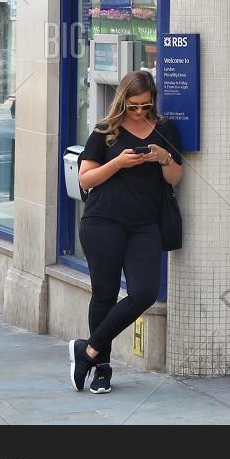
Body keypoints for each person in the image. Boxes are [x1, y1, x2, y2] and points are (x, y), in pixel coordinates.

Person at [70, 70, 183, 394]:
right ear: (123, 101)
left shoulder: (164, 130)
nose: (139, 112)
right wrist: (118, 163)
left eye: (145, 106)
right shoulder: (105, 131)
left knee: (144, 293)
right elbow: (85, 179)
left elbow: (175, 178)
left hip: (144, 225)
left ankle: (88, 350)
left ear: (153, 101)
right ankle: (101, 369)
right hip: (102, 222)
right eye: (133, 106)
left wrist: (163, 158)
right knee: (104, 295)